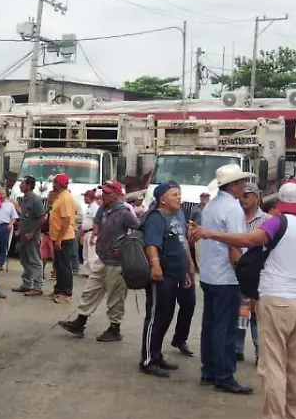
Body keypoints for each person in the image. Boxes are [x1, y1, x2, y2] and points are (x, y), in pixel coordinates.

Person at [194, 181, 296, 419]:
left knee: (273, 365)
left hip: (278, 299)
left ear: (278, 205)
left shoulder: (277, 223)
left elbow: (249, 240)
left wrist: (211, 234)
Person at [197, 164, 255, 395]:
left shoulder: (212, 205)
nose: (244, 187)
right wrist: (243, 273)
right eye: (241, 183)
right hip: (226, 276)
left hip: (210, 273)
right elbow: (237, 242)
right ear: (232, 185)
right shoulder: (233, 209)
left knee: (210, 325)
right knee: (226, 328)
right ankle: (224, 375)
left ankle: (209, 370)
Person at [57, 181, 136, 343]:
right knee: (91, 289)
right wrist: (95, 235)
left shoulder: (125, 212)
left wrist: (124, 247)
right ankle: (80, 321)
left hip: (117, 263)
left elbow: (138, 231)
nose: (104, 195)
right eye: (104, 192)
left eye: (107, 193)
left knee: (115, 295)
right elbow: (97, 222)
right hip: (103, 258)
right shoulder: (103, 209)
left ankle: (115, 328)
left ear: (116, 194)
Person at [139, 182, 196, 377]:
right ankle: (147, 360)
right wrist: (155, 265)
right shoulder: (156, 216)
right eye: (174, 194)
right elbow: (151, 244)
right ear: (162, 198)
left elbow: (183, 242)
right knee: (155, 317)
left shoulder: (179, 215)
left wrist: (189, 266)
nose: (179, 198)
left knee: (167, 316)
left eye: (179, 194)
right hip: (161, 274)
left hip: (177, 274)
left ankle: (157, 355)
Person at [240, 182, 270, 363]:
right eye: (241, 196)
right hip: (240, 271)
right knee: (242, 310)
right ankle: (237, 348)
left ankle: (260, 350)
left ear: (256, 197)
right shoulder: (235, 217)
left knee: (257, 313)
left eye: (247, 195)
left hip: (258, 273)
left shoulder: (266, 220)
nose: (243, 199)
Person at [14, 175, 46, 296]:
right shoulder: (25, 199)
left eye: (22, 183)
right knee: (25, 260)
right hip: (24, 235)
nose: (20, 185)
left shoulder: (36, 200)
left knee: (35, 260)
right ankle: (27, 284)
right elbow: (25, 217)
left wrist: (32, 232)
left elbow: (43, 218)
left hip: (32, 235)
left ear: (28, 186)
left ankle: (37, 287)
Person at [47, 173, 78, 303]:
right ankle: (58, 290)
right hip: (57, 236)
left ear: (58, 184)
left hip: (64, 237)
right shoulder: (60, 197)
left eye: (54, 182)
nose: (53, 185)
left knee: (65, 265)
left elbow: (66, 220)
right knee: (58, 265)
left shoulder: (65, 198)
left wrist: (59, 239)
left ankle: (66, 292)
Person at [0, 185, 19, 272]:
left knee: (3, 246)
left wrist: (11, 224)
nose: (2, 195)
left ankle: (1, 263)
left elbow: (14, 217)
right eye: (0, 194)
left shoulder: (10, 204)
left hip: (5, 226)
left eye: (3, 194)